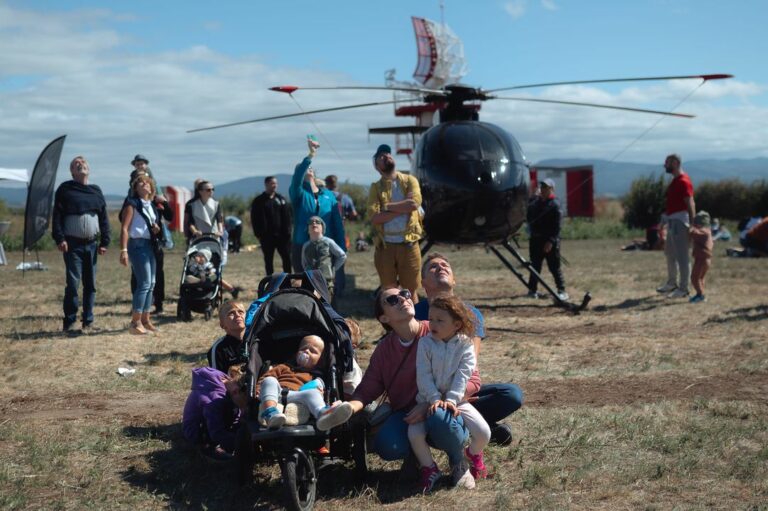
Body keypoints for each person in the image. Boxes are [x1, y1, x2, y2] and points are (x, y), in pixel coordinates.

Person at [347, 287, 475, 489]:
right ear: (384, 318)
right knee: (387, 446)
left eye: (405, 294)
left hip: (445, 406)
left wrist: (431, 402)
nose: (403, 299)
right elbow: (367, 389)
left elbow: (474, 380)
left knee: (440, 416)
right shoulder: (384, 350)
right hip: (407, 414)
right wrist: (346, 408)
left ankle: (458, 460)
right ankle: (418, 458)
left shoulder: (438, 329)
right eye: (392, 299)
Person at [415, 252, 524, 446]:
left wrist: (456, 397)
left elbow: (470, 362)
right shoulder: (414, 313)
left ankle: (459, 424)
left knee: (511, 395)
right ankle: (474, 427)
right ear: (423, 283)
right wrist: (431, 399)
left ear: (454, 280)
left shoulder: (471, 313)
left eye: (445, 265)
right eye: (433, 267)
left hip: (460, 387)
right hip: (425, 390)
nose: (440, 267)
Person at [410, 296, 491, 492]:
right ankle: (430, 468)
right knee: (413, 433)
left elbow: (464, 374)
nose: (433, 324)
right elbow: (423, 375)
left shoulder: (465, 344)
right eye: (431, 318)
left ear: (456, 324)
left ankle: (472, 454)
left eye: (440, 320)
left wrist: (452, 399)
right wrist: (435, 399)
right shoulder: (425, 343)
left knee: (483, 433)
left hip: (458, 400)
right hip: (428, 400)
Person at [51, 156, 111, 332]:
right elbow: (57, 217)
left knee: (90, 284)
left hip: (92, 244)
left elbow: (104, 218)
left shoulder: (95, 190)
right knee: (73, 283)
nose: (81, 165)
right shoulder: (65, 189)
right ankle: (69, 321)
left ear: (88, 169)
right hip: (72, 245)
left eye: (83, 163)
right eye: (77, 164)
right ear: (72, 171)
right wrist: (60, 238)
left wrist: (104, 241)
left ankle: (88, 321)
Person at [257, 335, 355, 431]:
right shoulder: (283, 367)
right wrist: (258, 390)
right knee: (269, 380)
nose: (306, 351)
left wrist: (321, 394)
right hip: (276, 393)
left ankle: (324, 414)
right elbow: (264, 379)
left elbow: (321, 391)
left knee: (313, 393)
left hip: (298, 396)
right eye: (303, 348)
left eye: (313, 351)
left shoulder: (316, 376)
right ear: (296, 354)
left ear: (320, 361)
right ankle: (271, 414)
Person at [366, 144, 423, 302]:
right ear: (377, 167)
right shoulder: (375, 188)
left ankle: (414, 322)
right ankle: (392, 324)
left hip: (409, 244)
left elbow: (414, 204)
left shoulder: (410, 180)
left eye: (388, 154)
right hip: (385, 247)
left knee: (411, 289)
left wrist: (387, 207)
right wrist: (403, 207)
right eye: (381, 156)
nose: (386, 156)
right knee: (389, 290)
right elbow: (374, 217)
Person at [126, 155, 173, 314]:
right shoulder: (133, 199)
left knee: (156, 276)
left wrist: (164, 202)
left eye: (142, 163)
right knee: (139, 277)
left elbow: (169, 216)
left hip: (156, 241)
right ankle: (138, 309)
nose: (140, 166)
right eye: (137, 164)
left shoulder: (155, 193)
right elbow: (124, 219)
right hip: (139, 242)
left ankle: (157, 305)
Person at [289, 139, 345, 273]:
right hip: (302, 243)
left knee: (326, 282)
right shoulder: (298, 193)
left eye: (309, 167)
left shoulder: (328, 195)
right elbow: (297, 179)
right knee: (303, 283)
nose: (306, 168)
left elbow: (336, 221)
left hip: (326, 244)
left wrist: (341, 244)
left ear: (313, 172)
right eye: (302, 168)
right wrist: (310, 154)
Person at [119, 174, 162, 335]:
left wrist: (156, 228)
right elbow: (125, 228)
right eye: (141, 183)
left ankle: (145, 319)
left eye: (148, 183)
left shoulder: (150, 205)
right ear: (135, 188)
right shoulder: (132, 204)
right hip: (137, 245)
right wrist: (123, 250)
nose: (145, 185)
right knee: (144, 283)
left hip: (149, 245)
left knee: (151, 283)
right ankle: (135, 322)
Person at [182, 365, 247, 457]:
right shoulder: (214, 400)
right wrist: (240, 443)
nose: (244, 408)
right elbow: (216, 433)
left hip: (215, 420)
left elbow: (234, 415)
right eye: (244, 405)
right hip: (196, 431)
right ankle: (208, 448)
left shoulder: (228, 383)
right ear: (236, 391)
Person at [657, 154, 696, 298]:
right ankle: (672, 283)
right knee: (670, 253)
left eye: (667, 162)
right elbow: (672, 205)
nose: (664, 165)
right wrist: (664, 221)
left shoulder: (684, 181)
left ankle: (684, 288)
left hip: (680, 222)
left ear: (676, 162)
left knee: (682, 256)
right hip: (672, 221)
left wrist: (693, 225)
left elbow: (690, 203)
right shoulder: (675, 181)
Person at [526, 178, 568, 301]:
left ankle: (562, 290)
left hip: (549, 242)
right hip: (535, 240)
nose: (543, 189)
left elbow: (557, 226)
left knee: (554, 267)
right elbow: (528, 214)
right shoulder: (535, 202)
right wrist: (533, 197)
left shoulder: (555, 204)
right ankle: (532, 290)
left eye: (546, 187)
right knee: (535, 266)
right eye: (542, 187)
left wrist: (551, 241)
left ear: (552, 189)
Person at [250, 176, 292, 276]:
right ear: (266, 184)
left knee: (286, 258)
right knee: (268, 260)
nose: (275, 186)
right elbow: (254, 218)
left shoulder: (281, 199)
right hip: (266, 236)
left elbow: (287, 216)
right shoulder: (259, 201)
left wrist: (288, 231)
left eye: (276, 183)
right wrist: (258, 234)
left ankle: (288, 279)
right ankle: (270, 281)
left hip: (282, 236)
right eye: (272, 183)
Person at [302, 216, 347, 300]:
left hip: (325, 281)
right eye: (311, 222)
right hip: (310, 281)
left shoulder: (328, 242)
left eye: (317, 222)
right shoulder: (306, 245)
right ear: (308, 229)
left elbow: (342, 256)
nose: (314, 223)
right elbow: (304, 263)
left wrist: (333, 269)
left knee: (326, 303)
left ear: (322, 227)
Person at [208, 301, 247, 373]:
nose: (238, 315)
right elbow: (217, 380)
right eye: (231, 313)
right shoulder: (218, 349)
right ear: (222, 324)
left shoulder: (256, 340)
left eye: (241, 312)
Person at [689, 211, 713, 303]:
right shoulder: (707, 231)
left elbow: (693, 233)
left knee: (694, 277)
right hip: (704, 258)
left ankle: (701, 295)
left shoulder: (704, 232)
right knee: (700, 277)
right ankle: (701, 293)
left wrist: (690, 227)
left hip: (702, 258)